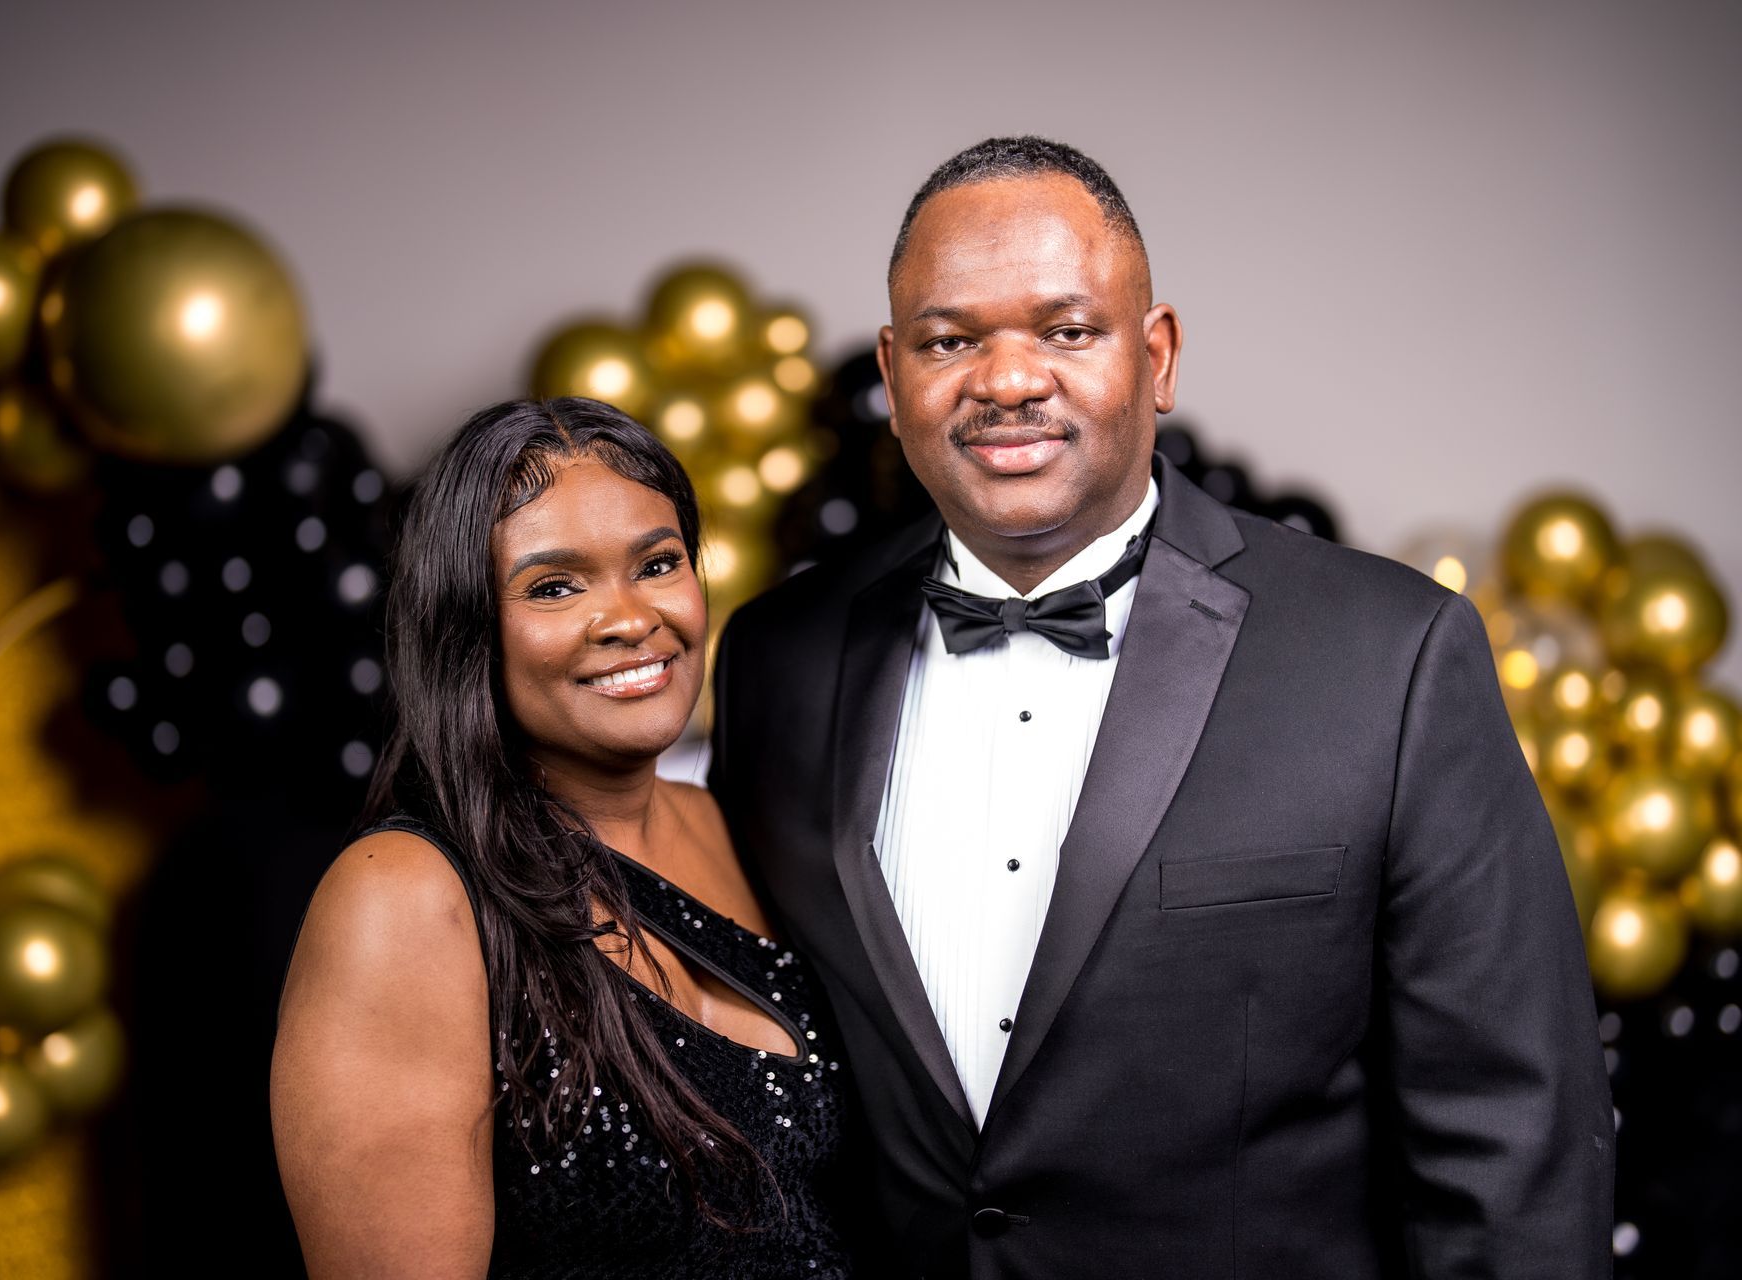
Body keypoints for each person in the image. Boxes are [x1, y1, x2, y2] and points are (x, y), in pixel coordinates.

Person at [709, 137, 1614, 1278]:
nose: (1006, 380)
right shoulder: (773, 660)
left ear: (1160, 355)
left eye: (1066, 329)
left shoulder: (1392, 657)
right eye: (950, 340)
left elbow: (1514, 1144)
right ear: (892, 377)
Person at [271, 398, 857, 1278]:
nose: (628, 619)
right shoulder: (403, 895)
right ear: (465, 626)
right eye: (555, 586)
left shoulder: (739, 824)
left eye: (657, 564)